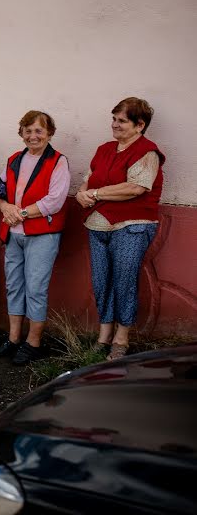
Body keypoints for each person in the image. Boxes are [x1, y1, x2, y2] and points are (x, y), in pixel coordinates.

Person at [75, 97, 165, 361]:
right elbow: (88, 179)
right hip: (97, 224)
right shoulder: (104, 149)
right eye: (114, 119)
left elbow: (135, 187)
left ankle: (121, 339)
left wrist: (95, 192)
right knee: (102, 280)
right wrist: (83, 194)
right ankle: (104, 336)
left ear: (140, 125)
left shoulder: (147, 152)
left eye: (122, 121)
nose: (114, 124)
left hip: (132, 227)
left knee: (124, 281)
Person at [0, 111, 70, 365]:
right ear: (21, 133)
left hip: (42, 235)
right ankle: (13, 339)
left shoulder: (58, 161)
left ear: (49, 133)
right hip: (14, 234)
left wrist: (20, 213)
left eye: (38, 130)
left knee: (35, 289)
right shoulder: (15, 159)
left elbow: (55, 201)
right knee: (14, 285)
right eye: (28, 130)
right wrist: (4, 207)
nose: (33, 135)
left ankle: (33, 343)